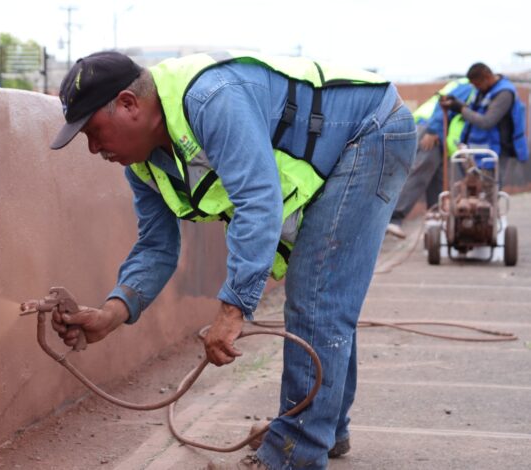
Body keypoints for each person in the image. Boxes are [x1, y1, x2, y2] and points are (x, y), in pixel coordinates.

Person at [49, 50, 416, 469]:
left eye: (94, 131)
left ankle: (294, 453)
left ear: (129, 104)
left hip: (368, 131)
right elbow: (156, 247)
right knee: (320, 294)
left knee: (317, 294)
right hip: (344, 147)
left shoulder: (211, 99)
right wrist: (112, 314)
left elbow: (258, 202)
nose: (95, 148)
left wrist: (233, 308)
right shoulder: (145, 168)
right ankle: (324, 428)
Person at [386, 79, 475, 238]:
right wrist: (433, 130)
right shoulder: (469, 87)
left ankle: (437, 222)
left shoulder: (472, 89)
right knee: (419, 172)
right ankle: (393, 219)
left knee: (439, 182)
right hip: (430, 131)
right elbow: (443, 104)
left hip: (441, 140)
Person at [441, 62, 528, 172]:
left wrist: (461, 109)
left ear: (487, 78)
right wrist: (457, 104)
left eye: (477, 84)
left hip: (494, 152)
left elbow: (486, 121)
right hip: (477, 152)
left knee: (490, 187)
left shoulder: (504, 93)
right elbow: (473, 111)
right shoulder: (481, 91)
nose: (476, 87)